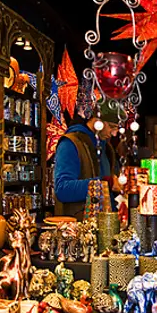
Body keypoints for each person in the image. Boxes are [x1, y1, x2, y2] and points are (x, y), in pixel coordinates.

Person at [54, 80, 120, 219]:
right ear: (97, 120)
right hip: (79, 229)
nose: (114, 134)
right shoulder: (71, 143)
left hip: (107, 227)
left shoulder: (107, 148)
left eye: (117, 129)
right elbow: (62, 189)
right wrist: (104, 183)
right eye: (112, 127)